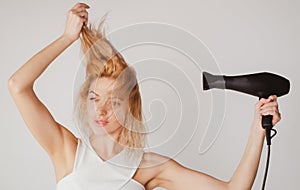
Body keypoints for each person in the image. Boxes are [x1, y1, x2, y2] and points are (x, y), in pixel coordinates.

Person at [8, 2, 281, 190]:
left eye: (113, 102)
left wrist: (258, 130)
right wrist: (67, 38)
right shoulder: (67, 150)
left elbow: (234, 189)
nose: (100, 111)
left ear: (131, 107)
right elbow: (18, 84)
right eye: (94, 99)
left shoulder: (149, 167)